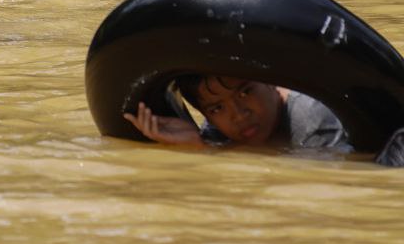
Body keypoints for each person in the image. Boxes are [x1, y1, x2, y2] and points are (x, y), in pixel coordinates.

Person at [125, 74, 351, 152]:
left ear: (271, 80)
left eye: (245, 93)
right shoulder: (220, 127)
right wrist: (196, 146)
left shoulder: (313, 117)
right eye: (217, 108)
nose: (239, 115)